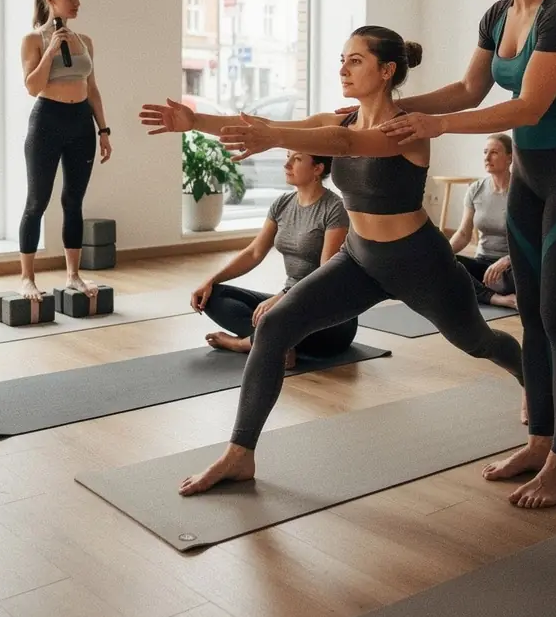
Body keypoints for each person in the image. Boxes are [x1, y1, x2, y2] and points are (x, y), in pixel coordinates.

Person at [139, 25, 523, 496]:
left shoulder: (409, 125)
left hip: (419, 261)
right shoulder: (340, 121)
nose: (343, 68)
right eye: (342, 59)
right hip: (360, 259)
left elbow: (345, 147)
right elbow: (270, 125)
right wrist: (193, 122)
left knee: (478, 341)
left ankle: (529, 375)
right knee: (275, 326)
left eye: (355, 60)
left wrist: (271, 135)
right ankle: (240, 454)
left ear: (386, 71)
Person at [369, 0, 556, 509]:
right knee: (531, 317)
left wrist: (437, 127)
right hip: (532, 180)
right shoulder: (496, 15)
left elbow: (529, 103)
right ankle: (539, 442)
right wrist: (392, 104)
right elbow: (469, 89)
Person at [192, 150, 353, 367]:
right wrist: (210, 281)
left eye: (296, 159)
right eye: (287, 157)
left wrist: (283, 296)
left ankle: (244, 344)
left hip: (329, 318)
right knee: (212, 297)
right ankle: (277, 343)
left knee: (279, 316)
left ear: (318, 168)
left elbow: (326, 274)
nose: (286, 164)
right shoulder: (282, 204)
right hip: (288, 304)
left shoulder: (334, 208)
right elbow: (254, 252)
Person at [18, 0, 111, 300]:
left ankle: (73, 275)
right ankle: (27, 278)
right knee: (37, 203)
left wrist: (104, 130)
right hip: (47, 122)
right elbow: (32, 86)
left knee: (74, 201)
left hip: (80, 124)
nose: (77, 3)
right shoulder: (34, 40)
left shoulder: (85, 40)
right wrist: (51, 50)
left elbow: (93, 89)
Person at [449, 134, 517, 309]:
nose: (487, 158)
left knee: (528, 277)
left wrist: (507, 260)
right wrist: (442, 255)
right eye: (485, 152)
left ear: (510, 157)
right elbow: (464, 234)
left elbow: (535, 239)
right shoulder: (476, 189)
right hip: (483, 264)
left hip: (511, 268)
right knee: (445, 266)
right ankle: (498, 299)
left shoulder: (522, 191)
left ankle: (481, 292)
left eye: (494, 152)